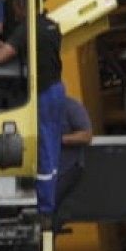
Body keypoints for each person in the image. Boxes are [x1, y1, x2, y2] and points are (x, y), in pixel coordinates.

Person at [35, 76, 92, 220]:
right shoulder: (37, 108)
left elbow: (86, 135)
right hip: (42, 168)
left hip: (66, 168)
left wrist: (58, 139)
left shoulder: (70, 106)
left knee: (48, 205)